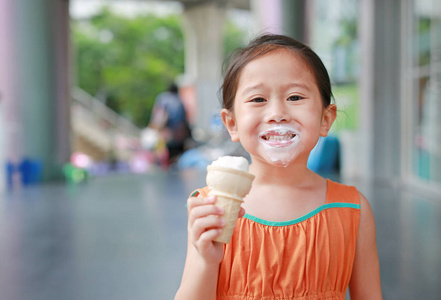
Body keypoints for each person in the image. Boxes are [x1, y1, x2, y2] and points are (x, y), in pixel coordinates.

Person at [175, 34, 382, 300]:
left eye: (295, 97)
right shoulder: (210, 207)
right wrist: (205, 260)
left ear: (326, 118)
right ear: (232, 124)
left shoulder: (353, 209)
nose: (277, 113)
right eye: (258, 99)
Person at [149, 82, 191, 164]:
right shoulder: (179, 100)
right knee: (175, 156)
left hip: (165, 131)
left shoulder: (162, 98)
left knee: (163, 154)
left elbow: (157, 114)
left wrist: (154, 126)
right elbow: (184, 118)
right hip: (178, 133)